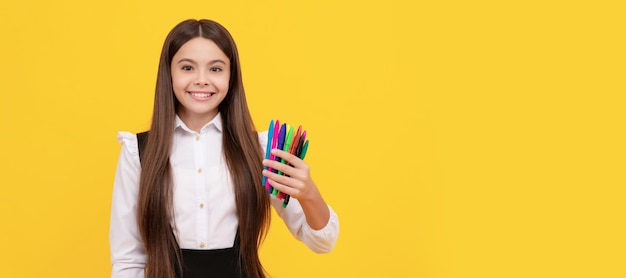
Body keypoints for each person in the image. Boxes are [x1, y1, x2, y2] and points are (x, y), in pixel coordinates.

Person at [109, 19, 339, 278]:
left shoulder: (261, 150)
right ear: (169, 73)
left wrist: (309, 193)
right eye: (187, 67)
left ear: (231, 75)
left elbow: (322, 242)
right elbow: (128, 262)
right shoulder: (137, 152)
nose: (202, 80)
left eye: (216, 69)